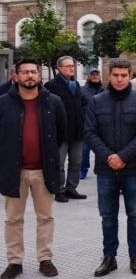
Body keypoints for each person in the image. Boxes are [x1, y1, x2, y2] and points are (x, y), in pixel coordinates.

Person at [84, 59, 136, 277]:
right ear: (109, 75)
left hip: (133, 169)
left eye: (124, 75)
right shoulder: (97, 102)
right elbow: (90, 132)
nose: (120, 79)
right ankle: (109, 257)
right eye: (116, 75)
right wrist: (109, 157)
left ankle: (135, 256)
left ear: (130, 75)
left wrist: (123, 157)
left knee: (135, 214)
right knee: (108, 216)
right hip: (106, 170)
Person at [0, 59, 67, 279]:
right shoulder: (3, 104)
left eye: (33, 72)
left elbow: (61, 134)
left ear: (40, 75)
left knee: (46, 216)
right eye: (25, 72)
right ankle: (14, 261)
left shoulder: (53, 102)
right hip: (14, 171)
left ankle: (45, 258)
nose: (30, 76)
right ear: (15, 75)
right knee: (12, 219)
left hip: (43, 170)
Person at [44, 56, 88, 203]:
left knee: (76, 161)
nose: (71, 68)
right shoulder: (51, 86)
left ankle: (71, 188)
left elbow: (83, 105)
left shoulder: (76, 85)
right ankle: (59, 189)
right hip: (60, 132)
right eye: (68, 66)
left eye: (73, 66)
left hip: (77, 130)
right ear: (60, 68)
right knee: (59, 163)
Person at [80, 68, 104, 179]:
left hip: (102, 125)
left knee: (100, 149)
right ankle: (83, 169)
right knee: (84, 150)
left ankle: (99, 168)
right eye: (93, 74)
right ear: (89, 76)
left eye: (97, 74)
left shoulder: (105, 90)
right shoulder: (82, 90)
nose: (95, 76)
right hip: (87, 124)